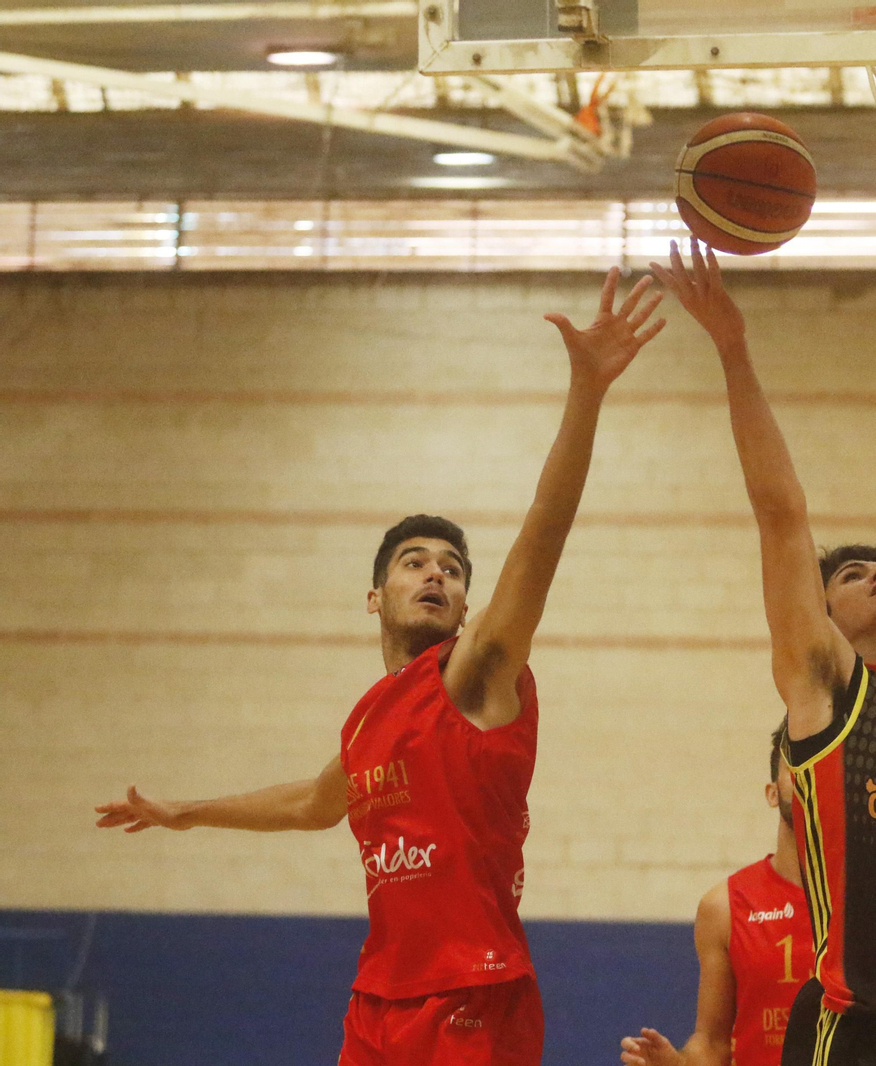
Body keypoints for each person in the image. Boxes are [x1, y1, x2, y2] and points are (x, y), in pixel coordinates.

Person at [92, 269, 666, 1066]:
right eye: (414, 562)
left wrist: (588, 392)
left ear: (467, 607)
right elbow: (314, 802)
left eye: (453, 569)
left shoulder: (474, 677)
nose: (437, 574)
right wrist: (184, 811)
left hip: (471, 992)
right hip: (379, 999)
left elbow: (546, 527)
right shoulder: (369, 716)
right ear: (375, 596)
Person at [651, 239, 876, 1066]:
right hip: (859, 1024)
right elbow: (781, 512)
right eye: (854, 573)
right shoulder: (822, 691)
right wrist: (734, 349)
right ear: (822, 612)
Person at [620, 724, 815, 1066]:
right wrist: (679, 1064)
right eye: (796, 763)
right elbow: (711, 1043)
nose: (808, 775)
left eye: (819, 763)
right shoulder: (724, 906)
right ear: (772, 792)